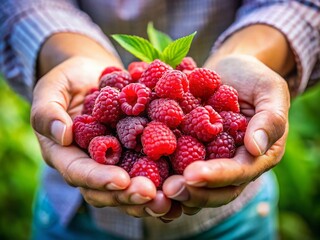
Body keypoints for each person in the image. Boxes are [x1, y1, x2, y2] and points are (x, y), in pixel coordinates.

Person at [0, 0, 319, 239]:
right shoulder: (119, 109)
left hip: (233, 221)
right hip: (73, 215)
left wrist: (254, 57)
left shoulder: (188, 108)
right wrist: (70, 56)